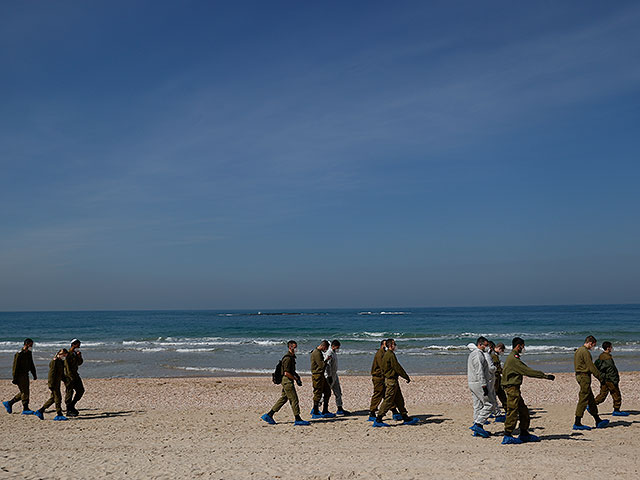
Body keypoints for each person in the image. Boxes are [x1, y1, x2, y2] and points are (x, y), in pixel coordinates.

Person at [500, 337, 555, 444]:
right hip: (512, 389)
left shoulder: (513, 358)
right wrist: (544, 376)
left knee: (524, 411)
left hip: (514, 389)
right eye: (523, 346)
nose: (523, 348)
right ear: (518, 346)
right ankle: (507, 435)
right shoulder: (513, 359)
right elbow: (527, 371)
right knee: (513, 411)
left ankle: (524, 433)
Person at [261, 340, 310, 426]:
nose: (296, 349)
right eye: (294, 347)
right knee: (294, 399)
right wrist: (295, 379)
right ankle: (297, 419)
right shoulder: (287, 358)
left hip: (287, 380)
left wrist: (297, 377)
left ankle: (269, 415)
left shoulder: (291, 357)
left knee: (284, 398)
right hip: (287, 381)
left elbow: (291, 371)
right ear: (290, 347)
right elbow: (286, 373)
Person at [373, 338, 418, 427]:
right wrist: (406, 376)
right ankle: (378, 419)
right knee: (388, 400)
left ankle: (405, 417)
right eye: (394, 344)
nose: (395, 346)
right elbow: (397, 367)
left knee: (399, 400)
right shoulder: (390, 355)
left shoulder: (386, 354)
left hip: (392, 380)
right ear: (391, 345)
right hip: (391, 381)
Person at [573, 335, 609, 430]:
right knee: (583, 399)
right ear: (590, 343)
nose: (593, 347)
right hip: (584, 376)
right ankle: (577, 423)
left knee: (591, 399)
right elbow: (591, 367)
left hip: (580, 375)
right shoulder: (585, 352)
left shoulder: (578, 350)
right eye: (593, 345)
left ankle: (598, 420)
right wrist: (600, 377)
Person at [3, 338, 37, 415]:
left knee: (24, 392)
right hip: (20, 375)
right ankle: (25, 408)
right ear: (26, 344)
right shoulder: (19, 354)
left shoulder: (29, 353)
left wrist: (34, 374)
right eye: (30, 345)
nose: (31, 346)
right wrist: (15, 378)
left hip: (26, 374)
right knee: (25, 392)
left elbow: (31, 364)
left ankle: (9, 403)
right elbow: (15, 367)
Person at [467, 336, 493, 438]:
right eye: (486, 345)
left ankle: (478, 430)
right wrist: (484, 385)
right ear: (480, 344)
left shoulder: (473, 354)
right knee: (489, 404)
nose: (487, 347)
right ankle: (478, 424)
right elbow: (479, 371)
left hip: (472, 382)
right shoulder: (478, 355)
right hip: (478, 383)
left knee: (477, 405)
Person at [594, 341, 628, 416]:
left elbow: (597, 367)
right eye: (611, 347)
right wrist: (615, 380)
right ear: (608, 348)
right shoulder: (608, 358)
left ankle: (590, 405)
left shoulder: (601, 356)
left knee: (602, 395)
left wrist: (601, 377)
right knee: (616, 394)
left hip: (604, 379)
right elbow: (611, 370)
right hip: (610, 380)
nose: (612, 348)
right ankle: (616, 410)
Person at [35, 349, 69, 421]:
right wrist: (51, 384)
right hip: (53, 383)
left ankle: (40, 411)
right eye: (64, 355)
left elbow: (61, 374)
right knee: (58, 398)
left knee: (53, 398)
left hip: (57, 382)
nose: (65, 357)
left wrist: (66, 380)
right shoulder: (54, 361)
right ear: (60, 354)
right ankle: (59, 414)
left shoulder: (61, 362)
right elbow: (51, 373)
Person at [322, 340, 349, 415]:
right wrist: (329, 376)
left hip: (334, 375)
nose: (338, 349)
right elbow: (328, 366)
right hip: (329, 375)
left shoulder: (334, 352)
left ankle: (340, 408)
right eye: (337, 347)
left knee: (338, 392)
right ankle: (316, 407)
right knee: (326, 393)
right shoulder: (329, 353)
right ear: (333, 346)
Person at [310, 340, 334, 418]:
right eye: (326, 349)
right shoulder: (316, 353)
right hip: (317, 375)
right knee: (318, 394)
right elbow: (321, 365)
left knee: (327, 392)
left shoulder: (318, 352)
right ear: (323, 346)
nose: (326, 350)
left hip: (321, 375)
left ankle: (325, 410)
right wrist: (327, 360)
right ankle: (315, 412)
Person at [64, 339, 85, 417]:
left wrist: (79, 356)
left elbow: (79, 363)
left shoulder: (75, 354)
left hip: (75, 375)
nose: (79, 347)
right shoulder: (68, 354)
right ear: (73, 345)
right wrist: (70, 377)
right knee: (69, 392)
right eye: (78, 345)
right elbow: (67, 367)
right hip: (69, 376)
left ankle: (72, 405)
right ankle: (68, 409)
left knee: (81, 390)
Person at [483, 341, 502, 421]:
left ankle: (494, 413)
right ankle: (496, 414)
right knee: (491, 396)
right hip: (490, 378)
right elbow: (491, 368)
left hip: (488, 378)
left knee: (490, 397)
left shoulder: (483, 355)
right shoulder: (488, 355)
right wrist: (496, 368)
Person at [492, 342, 508, 413]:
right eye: (502, 350)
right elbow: (495, 368)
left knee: (501, 394)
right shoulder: (493, 356)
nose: (502, 352)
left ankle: (507, 409)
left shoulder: (495, 355)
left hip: (498, 378)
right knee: (494, 395)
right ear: (499, 348)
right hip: (495, 378)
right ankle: (493, 411)